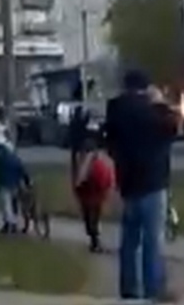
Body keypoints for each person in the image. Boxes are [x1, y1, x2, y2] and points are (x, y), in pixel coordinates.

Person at [104, 70, 178, 301]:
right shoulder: (152, 110)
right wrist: (161, 103)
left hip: (128, 183)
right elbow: (172, 129)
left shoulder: (115, 110)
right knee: (152, 241)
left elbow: (110, 144)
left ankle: (129, 289)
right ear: (147, 87)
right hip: (153, 182)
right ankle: (152, 289)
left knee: (129, 241)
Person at [73, 134, 115, 252]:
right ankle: (94, 241)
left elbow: (103, 181)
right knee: (91, 220)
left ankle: (95, 241)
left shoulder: (95, 166)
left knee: (92, 219)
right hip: (91, 196)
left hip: (93, 196)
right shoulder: (91, 164)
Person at [0, 143, 30, 234]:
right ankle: (14, 223)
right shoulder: (16, 159)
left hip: (4, 185)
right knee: (14, 205)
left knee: (6, 206)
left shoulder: (1, 159)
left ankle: (9, 224)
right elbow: (23, 171)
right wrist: (27, 182)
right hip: (15, 186)